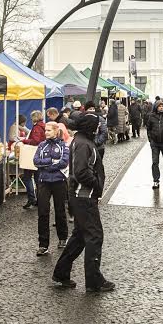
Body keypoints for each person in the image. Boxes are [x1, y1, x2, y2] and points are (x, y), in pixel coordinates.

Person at [52, 113, 114, 292]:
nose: (98, 128)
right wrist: (96, 183)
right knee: (94, 236)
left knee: (80, 236)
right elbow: (81, 172)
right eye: (96, 126)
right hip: (84, 197)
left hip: (80, 197)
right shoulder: (83, 144)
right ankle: (94, 281)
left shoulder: (81, 141)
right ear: (90, 127)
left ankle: (61, 272)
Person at [33, 121, 71, 255]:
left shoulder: (63, 145)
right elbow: (36, 161)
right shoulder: (41, 145)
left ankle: (62, 238)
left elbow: (64, 162)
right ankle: (43, 245)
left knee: (60, 210)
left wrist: (47, 166)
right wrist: (50, 162)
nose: (46, 132)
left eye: (49, 130)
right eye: (45, 130)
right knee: (42, 212)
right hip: (43, 181)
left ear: (56, 131)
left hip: (59, 181)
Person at [20, 109, 46, 210]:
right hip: (40, 155)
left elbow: (35, 140)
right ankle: (40, 200)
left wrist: (25, 140)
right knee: (37, 178)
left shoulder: (37, 127)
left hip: (32, 154)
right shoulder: (43, 126)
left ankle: (31, 198)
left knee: (27, 177)